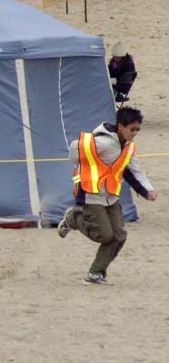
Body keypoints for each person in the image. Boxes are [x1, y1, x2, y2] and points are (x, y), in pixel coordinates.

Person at [57, 106, 157, 284]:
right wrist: (83, 166)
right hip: (91, 194)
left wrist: (147, 190)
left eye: (137, 130)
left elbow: (134, 170)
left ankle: (95, 274)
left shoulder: (128, 147)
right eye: (132, 129)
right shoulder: (102, 142)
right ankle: (73, 218)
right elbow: (75, 151)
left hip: (111, 196)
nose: (134, 133)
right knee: (104, 235)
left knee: (119, 236)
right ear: (120, 126)